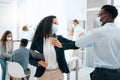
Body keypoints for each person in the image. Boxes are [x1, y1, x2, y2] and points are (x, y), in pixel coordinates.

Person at [75, 5, 120, 80]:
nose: (98, 18)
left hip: (102, 75)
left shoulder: (97, 32)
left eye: (99, 15)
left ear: (107, 16)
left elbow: (78, 43)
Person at [29, 15, 78, 80]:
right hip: (43, 74)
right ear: (47, 24)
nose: (56, 25)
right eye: (55, 23)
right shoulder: (37, 41)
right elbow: (30, 59)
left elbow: (76, 45)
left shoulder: (59, 39)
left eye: (57, 24)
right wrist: (38, 63)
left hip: (57, 73)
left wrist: (62, 45)